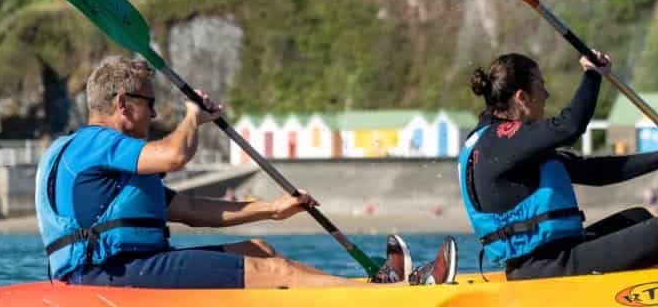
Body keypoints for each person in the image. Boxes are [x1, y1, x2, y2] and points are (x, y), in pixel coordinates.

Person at [36, 55, 456, 289]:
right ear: (123, 104)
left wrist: (272, 209)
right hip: (105, 276)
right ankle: (395, 294)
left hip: (130, 264)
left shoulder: (106, 166)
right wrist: (191, 116)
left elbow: (192, 209)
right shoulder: (98, 142)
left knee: (261, 251)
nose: (155, 112)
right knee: (273, 274)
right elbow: (174, 156)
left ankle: (370, 286)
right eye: (150, 103)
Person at [459, 50, 658, 280]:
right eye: (540, 86)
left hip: (550, 257)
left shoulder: (500, 144)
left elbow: (592, 171)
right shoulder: (502, 140)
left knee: (638, 218)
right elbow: (570, 126)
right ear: (522, 98)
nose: (546, 94)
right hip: (544, 268)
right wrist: (592, 75)